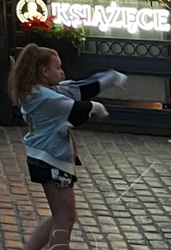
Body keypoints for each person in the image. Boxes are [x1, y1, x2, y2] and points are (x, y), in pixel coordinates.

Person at [10, 45, 126, 250]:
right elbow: (75, 109)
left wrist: (109, 78)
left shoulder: (41, 91)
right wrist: (96, 107)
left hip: (46, 159)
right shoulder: (45, 97)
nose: (62, 72)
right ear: (44, 72)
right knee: (66, 217)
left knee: (60, 216)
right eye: (58, 68)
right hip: (52, 161)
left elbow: (79, 88)